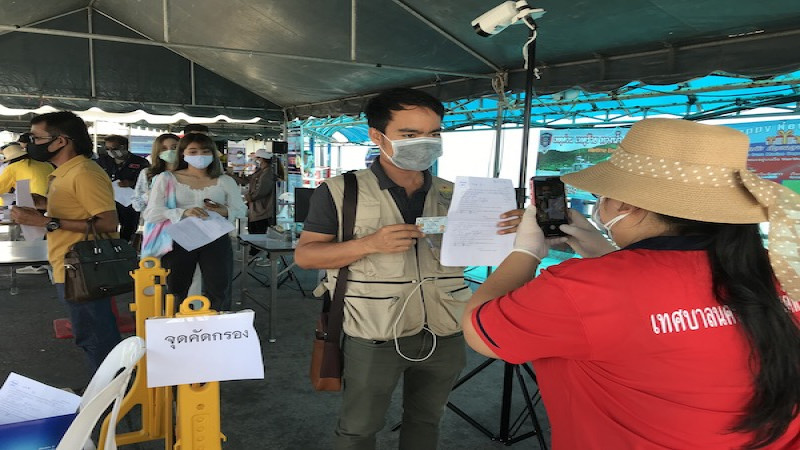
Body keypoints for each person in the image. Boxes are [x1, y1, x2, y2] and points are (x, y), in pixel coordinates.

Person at [462, 118, 800, 449]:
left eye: (602, 196)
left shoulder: (584, 288)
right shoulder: (782, 270)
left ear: (626, 205)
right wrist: (604, 253)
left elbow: (481, 332)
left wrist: (526, 250)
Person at [295, 87, 523, 450]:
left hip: (445, 328)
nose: (426, 143)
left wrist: (511, 229)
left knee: (427, 419)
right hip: (375, 331)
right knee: (358, 427)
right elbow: (306, 257)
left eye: (434, 134)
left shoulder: (456, 194)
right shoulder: (340, 190)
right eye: (410, 134)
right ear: (377, 136)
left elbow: (488, 253)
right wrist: (369, 244)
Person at [11, 111, 122, 374]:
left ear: (61, 141)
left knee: (96, 337)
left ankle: (113, 399)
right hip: (70, 266)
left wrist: (47, 222)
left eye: (35, 137)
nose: (29, 143)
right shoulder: (65, 172)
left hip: (84, 270)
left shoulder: (83, 172)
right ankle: (111, 393)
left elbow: (107, 222)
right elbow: (80, 211)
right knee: (91, 335)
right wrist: (44, 205)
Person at [143, 133, 246, 312]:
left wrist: (224, 210)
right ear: (183, 153)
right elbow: (151, 213)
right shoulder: (167, 178)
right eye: (193, 151)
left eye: (206, 151)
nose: (200, 155)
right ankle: (177, 329)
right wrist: (183, 212)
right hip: (181, 238)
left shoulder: (225, 180)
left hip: (216, 238)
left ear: (213, 154)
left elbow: (242, 210)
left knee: (219, 288)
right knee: (176, 288)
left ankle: (218, 330)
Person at [0, 141, 55, 274]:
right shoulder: (46, 164)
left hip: (32, 203)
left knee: (32, 234)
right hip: (51, 202)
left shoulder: (13, 168)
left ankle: (36, 264)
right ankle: (48, 262)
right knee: (48, 232)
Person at [96, 134, 150, 242]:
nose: (111, 152)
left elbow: (147, 182)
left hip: (129, 201)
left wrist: (131, 183)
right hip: (108, 200)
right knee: (108, 226)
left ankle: (125, 246)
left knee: (129, 228)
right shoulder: (103, 161)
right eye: (107, 149)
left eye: (114, 149)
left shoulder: (140, 162)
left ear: (124, 147)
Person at [132, 133, 180, 213]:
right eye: (164, 148)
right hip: (156, 221)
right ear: (157, 151)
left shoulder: (190, 172)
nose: (170, 151)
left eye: (174, 147)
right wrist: (151, 193)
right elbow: (137, 205)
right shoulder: (148, 173)